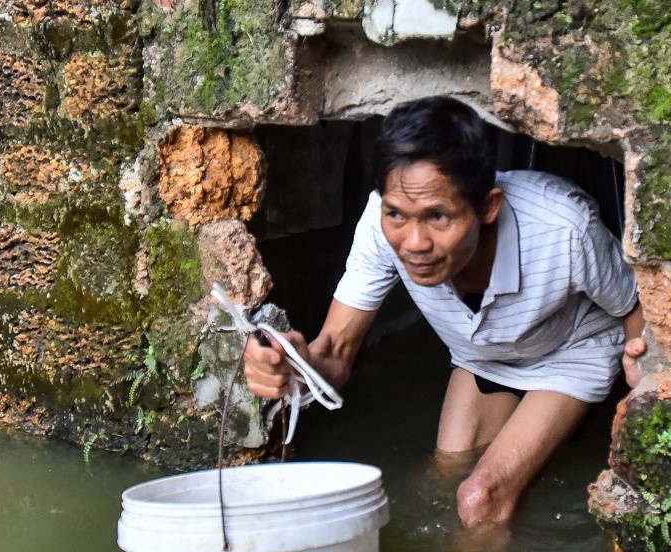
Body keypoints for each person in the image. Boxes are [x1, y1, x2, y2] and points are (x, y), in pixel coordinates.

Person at [244, 96, 646, 528]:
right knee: (443, 479)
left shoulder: (565, 229)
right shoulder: (381, 229)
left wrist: (640, 386)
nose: (414, 242)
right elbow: (335, 354)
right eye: (396, 213)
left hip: (570, 351)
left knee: (480, 498)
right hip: (482, 355)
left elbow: (632, 305)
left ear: (487, 207)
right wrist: (295, 366)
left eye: (438, 216)